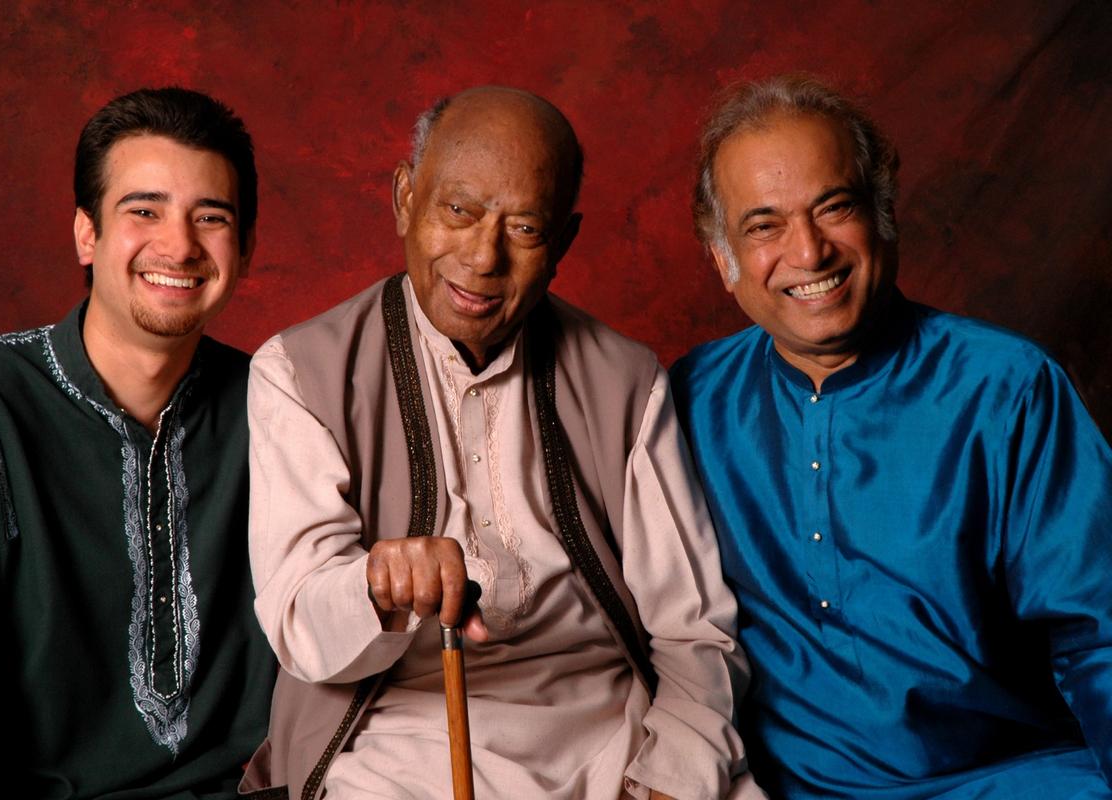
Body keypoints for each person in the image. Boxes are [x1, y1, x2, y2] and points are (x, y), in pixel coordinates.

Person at [241, 86, 761, 800]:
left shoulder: (628, 380)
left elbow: (695, 632)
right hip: (394, 741)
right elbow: (301, 629)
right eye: (458, 211)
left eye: (524, 228)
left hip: (610, 736)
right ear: (404, 200)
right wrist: (378, 586)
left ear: (564, 242)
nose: (483, 257)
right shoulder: (300, 372)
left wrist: (670, 776)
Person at [671, 73, 1112, 799]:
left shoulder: (1007, 389)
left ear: (883, 216)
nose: (809, 253)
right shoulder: (688, 401)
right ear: (724, 259)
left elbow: (1099, 632)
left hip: (999, 782)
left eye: (834, 208)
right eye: (764, 226)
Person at [0, 87, 275, 797]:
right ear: (87, 233)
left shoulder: (280, 407)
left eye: (211, 217)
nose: (179, 245)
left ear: (247, 246)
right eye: (144, 211)